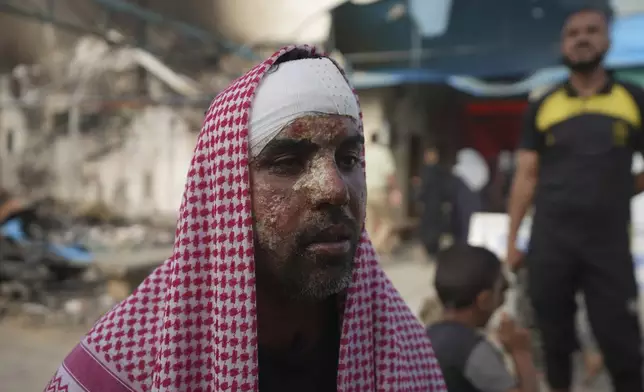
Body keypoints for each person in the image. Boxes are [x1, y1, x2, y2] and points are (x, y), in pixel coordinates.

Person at [43, 46, 446, 391]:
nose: (336, 189)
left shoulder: (401, 348)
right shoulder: (125, 367)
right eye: (287, 162)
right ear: (227, 191)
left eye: (349, 159)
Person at [506, 7, 644, 392]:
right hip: (551, 244)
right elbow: (526, 176)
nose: (582, 38)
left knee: (623, 348)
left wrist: (619, 188)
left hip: (609, 248)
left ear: (607, 40)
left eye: (592, 31)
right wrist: (512, 241)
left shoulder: (633, 99)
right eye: (573, 33)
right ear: (563, 45)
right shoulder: (544, 104)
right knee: (554, 345)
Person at [427, 244, 539, 392]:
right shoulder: (472, 350)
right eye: (502, 289)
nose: (503, 299)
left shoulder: (426, 336)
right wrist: (521, 352)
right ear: (484, 300)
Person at [364, 132, 400, 254]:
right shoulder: (383, 152)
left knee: (370, 224)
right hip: (379, 191)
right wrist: (395, 189)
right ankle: (373, 247)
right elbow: (389, 174)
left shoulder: (365, 152)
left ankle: (369, 249)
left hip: (366, 190)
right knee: (388, 222)